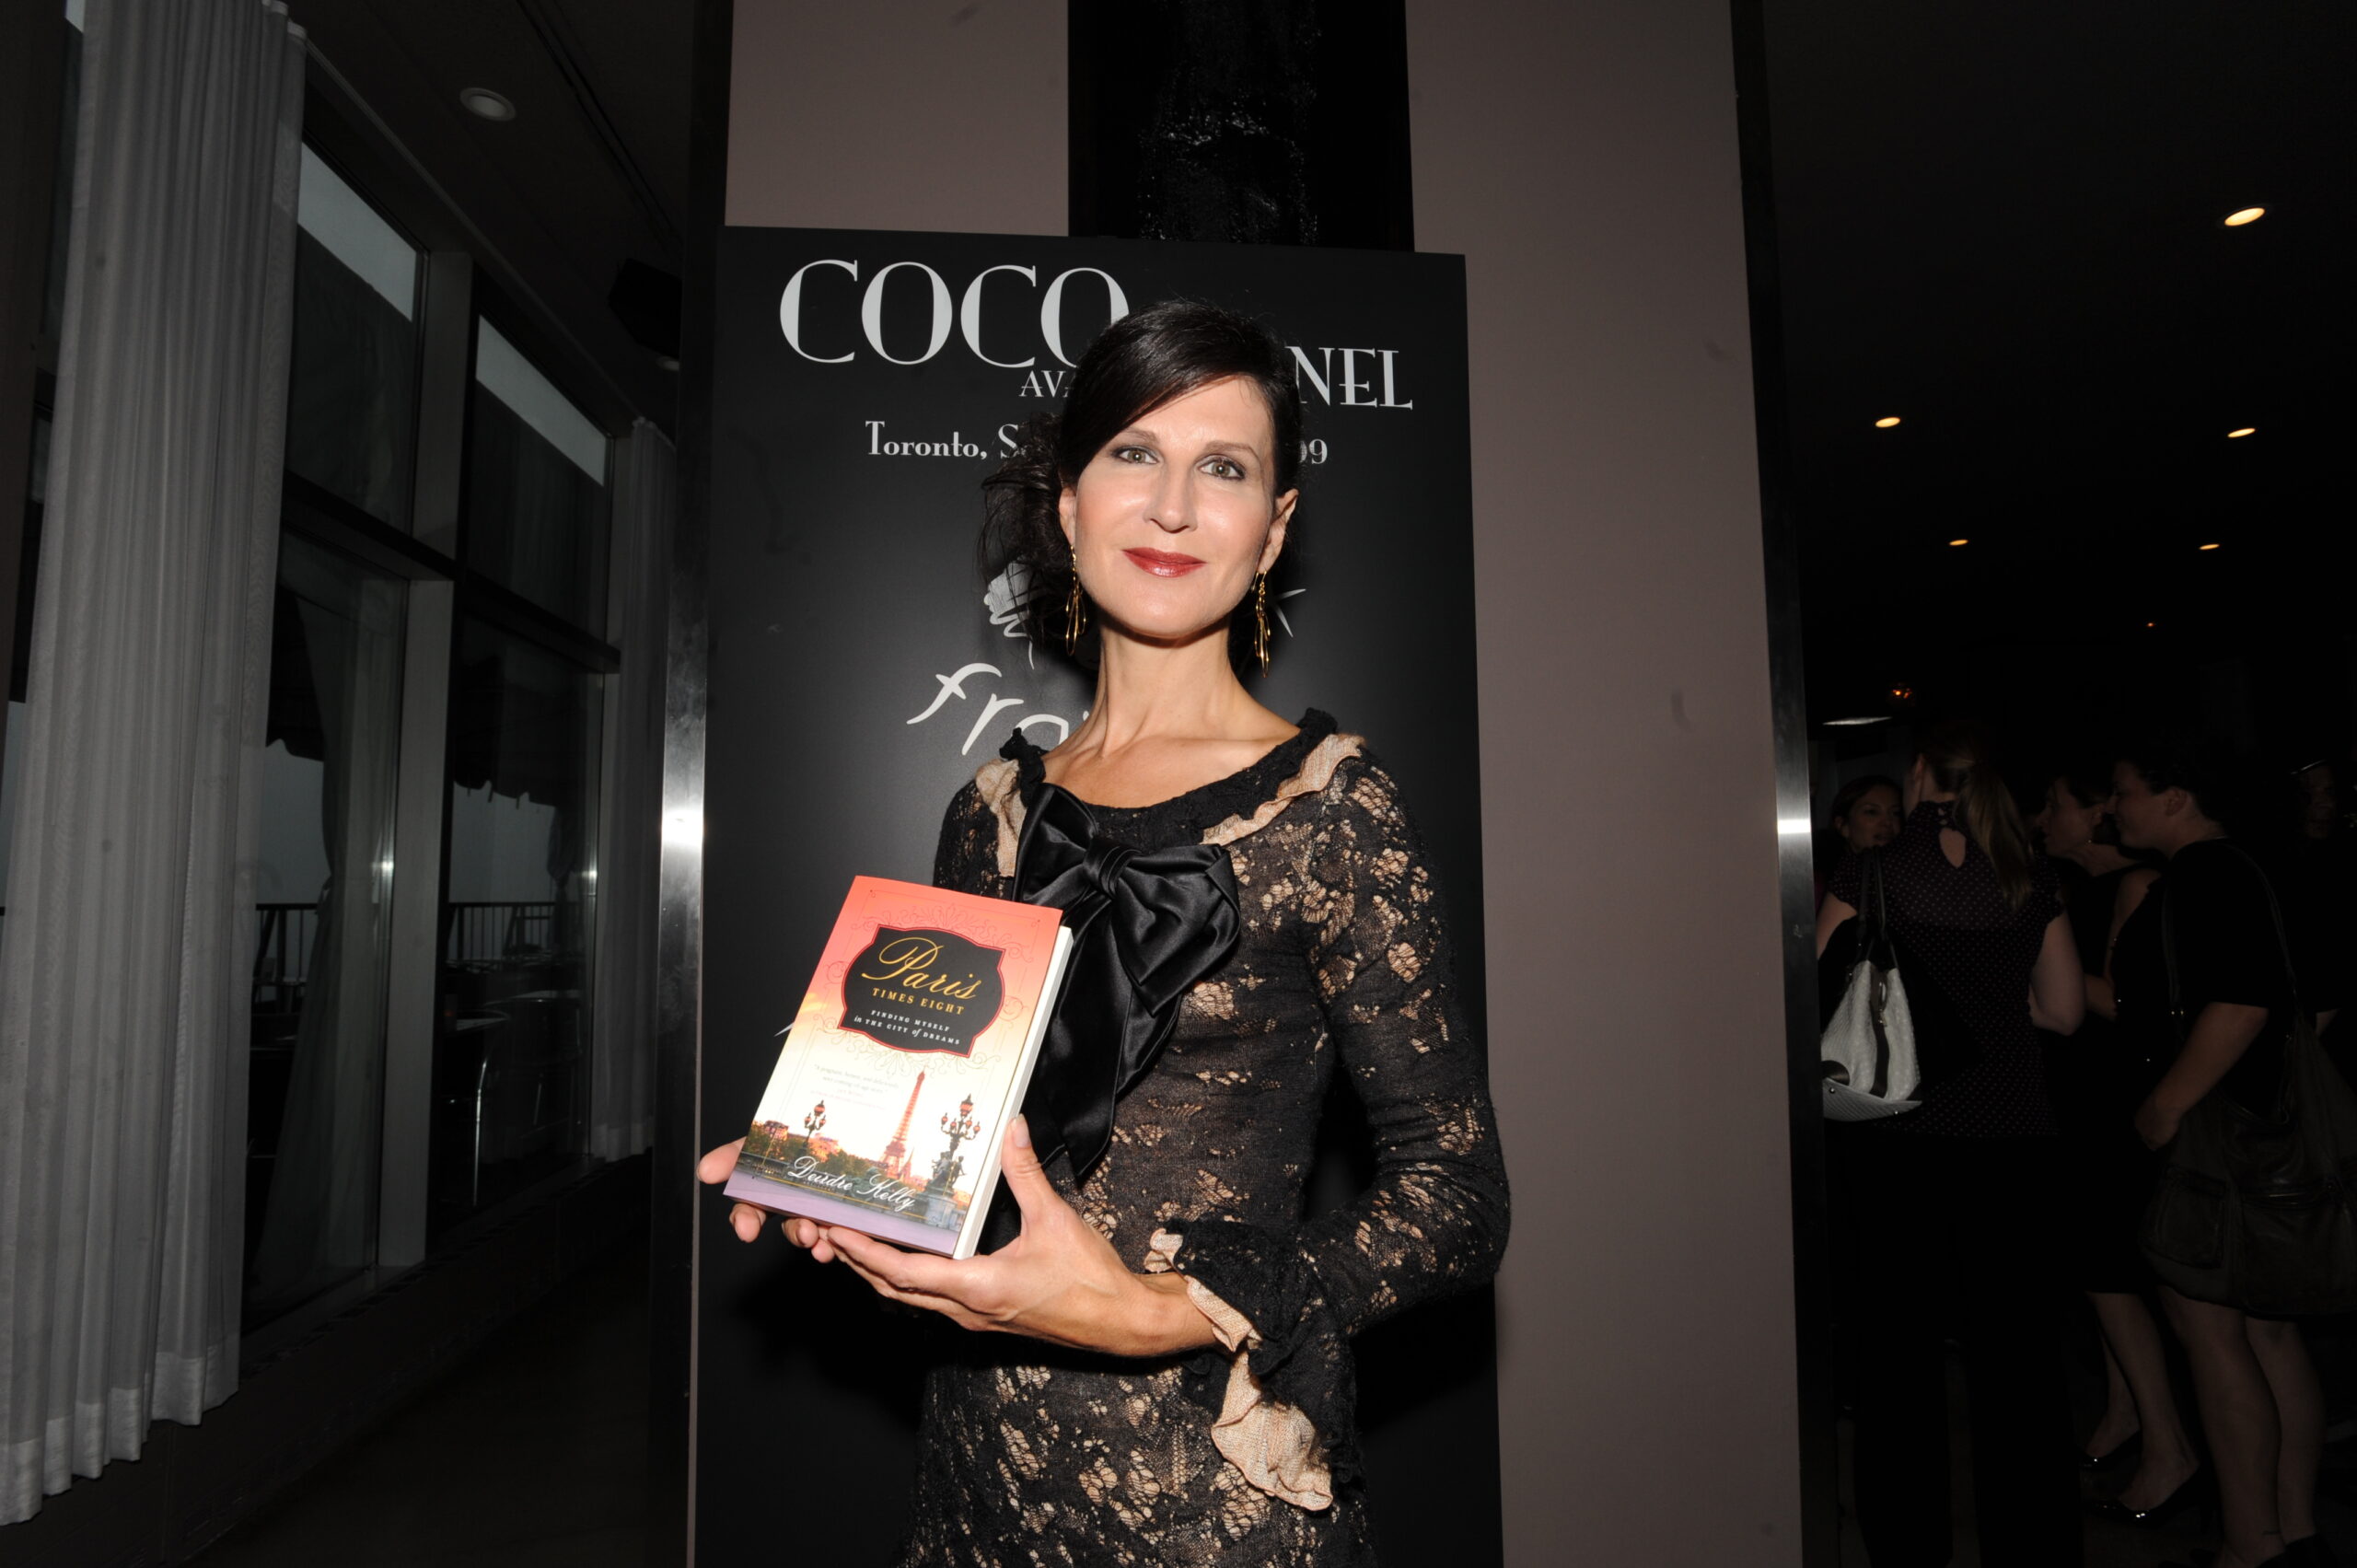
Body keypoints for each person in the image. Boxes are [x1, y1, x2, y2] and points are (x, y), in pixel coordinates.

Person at [699, 299, 1511, 1565]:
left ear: (1275, 526)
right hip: (981, 1485)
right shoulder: (989, 815)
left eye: (1225, 467)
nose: (1175, 506)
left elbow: (1456, 1197)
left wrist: (1165, 1310)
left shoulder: (1336, 810)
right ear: (1068, 502)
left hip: (1218, 1505)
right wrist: (837, 1168)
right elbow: (960, 1142)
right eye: (1133, 453)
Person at [1816, 721, 2086, 1567]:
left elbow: (1819, 996)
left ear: (1921, 773)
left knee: (1899, 1361)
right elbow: (2066, 1013)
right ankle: (2034, 1545)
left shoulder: (1874, 871)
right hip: (2013, 1142)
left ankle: (1909, 1546)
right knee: (2020, 1367)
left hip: (1905, 1141)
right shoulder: (2029, 877)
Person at [2108, 740, 2341, 1568]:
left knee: (2211, 1334)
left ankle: (2250, 1543)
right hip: (2265, 1133)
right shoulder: (2267, 869)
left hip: (2217, 1144)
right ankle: (2293, 1530)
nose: (2115, 807)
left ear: (2177, 797)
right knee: (2272, 1337)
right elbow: (2311, 1003)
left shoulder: (2204, 876)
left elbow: (2241, 1003)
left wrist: (2165, 1105)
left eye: (2127, 789)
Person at [2031, 764, 2199, 1518]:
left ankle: (2168, 1446)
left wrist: (2037, 974)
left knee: (2111, 1271)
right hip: (2080, 1096)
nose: (2042, 818)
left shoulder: (2137, 884)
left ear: (2096, 810)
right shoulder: (2073, 885)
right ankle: (2126, 1416)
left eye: (2055, 803)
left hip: (2118, 1102)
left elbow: (2129, 1007)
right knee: (2100, 1271)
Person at [1818, 773, 1903, 909]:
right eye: (1872, 812)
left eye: (1896, 813)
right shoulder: (1824, 883)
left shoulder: (1908, 878)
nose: (1888, 822)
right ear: (1843, 825)